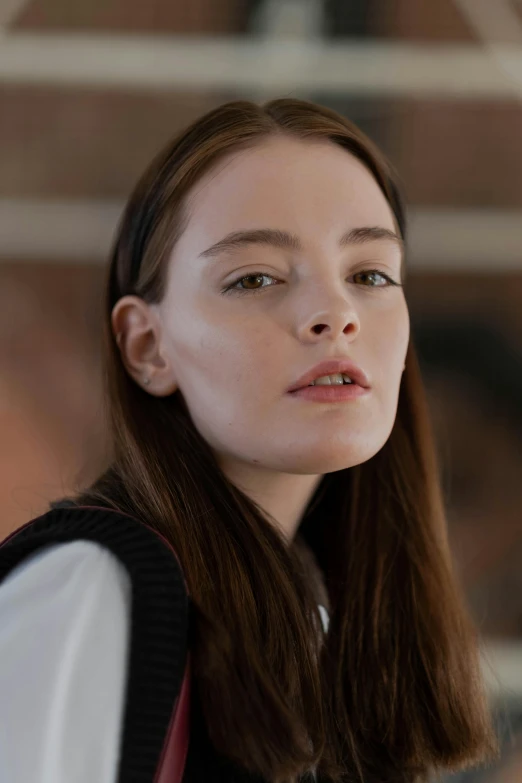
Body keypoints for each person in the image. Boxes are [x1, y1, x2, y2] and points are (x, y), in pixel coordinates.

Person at [0, 99, 500, 783]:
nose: (337, 314)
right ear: (148, 347)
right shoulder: (95, 588)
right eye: (256, 277)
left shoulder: (329, 617)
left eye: (370, 274)